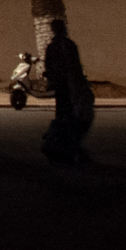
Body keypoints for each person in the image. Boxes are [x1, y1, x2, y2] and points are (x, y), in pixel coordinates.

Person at [43, 18, 94, 164]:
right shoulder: (68, 45)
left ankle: (61, 147)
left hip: (64, 87)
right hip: (70, 87)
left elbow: (50, 68)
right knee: (71, 118)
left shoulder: (54, 47)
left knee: (64, 116)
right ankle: (66, 148)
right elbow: (75, 67)